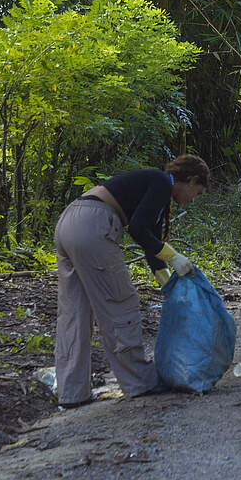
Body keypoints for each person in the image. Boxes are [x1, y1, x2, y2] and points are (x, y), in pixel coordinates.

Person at [53, 154, 209, 408]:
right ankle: (141, 382)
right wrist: (175, 257)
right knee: (120, 304)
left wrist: (166, 280)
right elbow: (137, 229)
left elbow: (150, 238)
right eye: (197, 192)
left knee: (74, 312)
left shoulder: (155, 187)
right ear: (190, 180)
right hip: (93, 226)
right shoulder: (162, 181)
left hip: (69, 222)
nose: (192, 200)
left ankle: (72, 392)